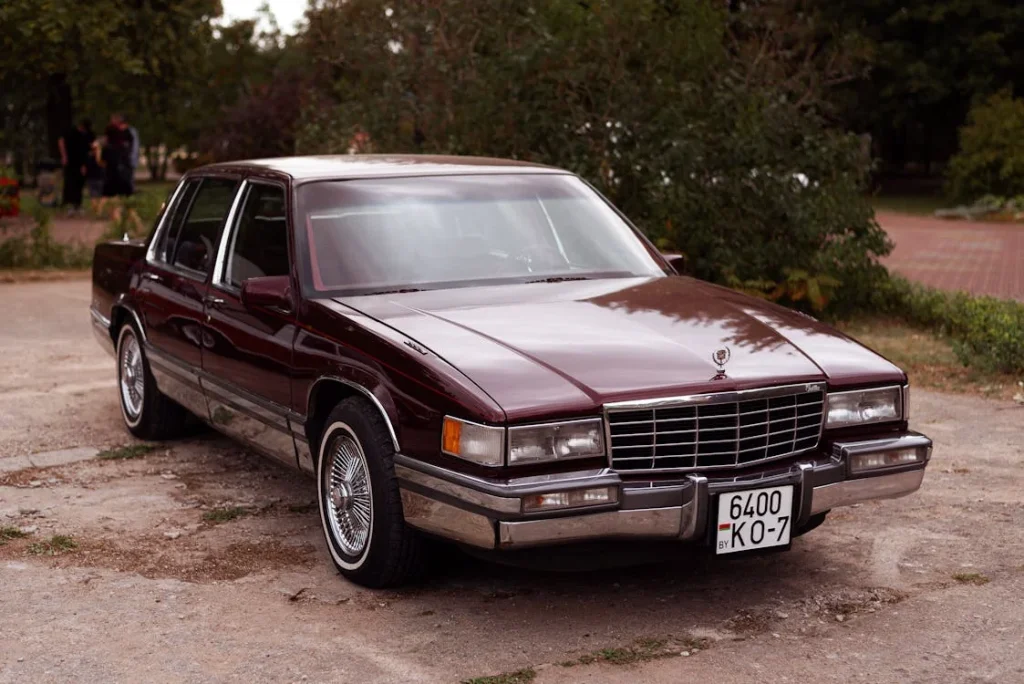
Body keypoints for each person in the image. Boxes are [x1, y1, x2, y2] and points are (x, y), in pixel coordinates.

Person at [58, 118, 94, 214]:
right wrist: (64, 156)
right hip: (71, 162)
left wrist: (85, 164)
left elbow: (91, 147)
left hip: (82, 162)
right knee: (70, 182)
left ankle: (77, 204)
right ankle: (69, 204)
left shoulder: (88, 135)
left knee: (79, 183)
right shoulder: (71, 132)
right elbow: (61, 141)